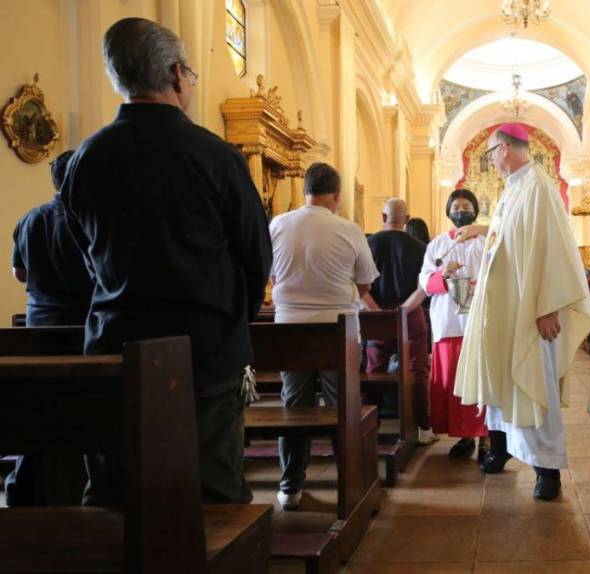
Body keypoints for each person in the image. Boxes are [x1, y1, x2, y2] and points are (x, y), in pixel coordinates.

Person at [61, 18, 272, 504]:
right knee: (212, 494)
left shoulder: (86, 158)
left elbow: (86, 257)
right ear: (178, 75)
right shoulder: (216, 156)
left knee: (119, 494)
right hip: (207, 353)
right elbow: (255, 257)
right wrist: (229, 316)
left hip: (117, 348)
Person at [454, 123, 590, 500]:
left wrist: (547, 306)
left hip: (531, 311)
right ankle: (503, 450)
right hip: (504, 309)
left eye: (492, 152)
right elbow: (512, 242)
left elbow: (551, 250)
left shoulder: (539, 189)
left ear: (507, 148)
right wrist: (485, 229)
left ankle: (548, 469)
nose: (492, 161)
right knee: (505, 383)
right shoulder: (513, 191)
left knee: (535, 384)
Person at [269, 162, 378, 510]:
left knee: (294, 407)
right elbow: (364, 284)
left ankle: (290, 487)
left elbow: (270, 274)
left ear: (305, 191)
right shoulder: (348, 229)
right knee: (341, 406)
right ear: (336, 195)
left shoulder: (277, 225)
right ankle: (349, 480)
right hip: (338, 331)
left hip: (290, 330)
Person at [7, 150, 92, 506]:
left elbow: (20, 272)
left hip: (39, 324)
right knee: (84, 408)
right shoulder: (87, 219)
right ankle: (79, 483)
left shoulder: (30, 218)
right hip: (83, 323)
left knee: (42, 407)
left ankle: (24, 487)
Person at [411, 189, 488, 460]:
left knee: (481, 381)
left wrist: (475, 286)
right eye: (456, 206)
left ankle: (487, 439)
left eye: (467, 205)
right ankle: (466, 437)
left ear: (475, 210)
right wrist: (445, 275)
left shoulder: (487, 241)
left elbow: (501, 273)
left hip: (480, 321)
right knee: (455, 383)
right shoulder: (437, 245)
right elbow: (425, 282)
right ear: (448, 211)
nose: (461, 210)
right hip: (449, 322)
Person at [364, 198, 430, 436]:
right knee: (418, 371)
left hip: (377, 315)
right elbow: (424, 286)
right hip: (410, 314)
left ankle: (371, 423)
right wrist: (405, 309)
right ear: (407, 220)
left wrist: (376, 312)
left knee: (374, 370)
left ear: (383, 217)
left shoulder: (368, 244)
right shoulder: (420, 247)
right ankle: (422, 425)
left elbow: (359, 286)